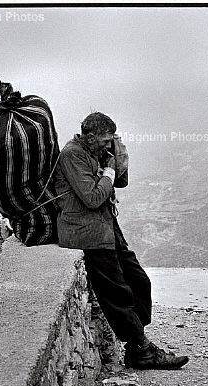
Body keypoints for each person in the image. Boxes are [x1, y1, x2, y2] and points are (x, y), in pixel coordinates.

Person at [54, 112, 189, 370]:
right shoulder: (72, 154)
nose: (108, 144)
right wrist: (109, 172)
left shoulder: (98, 152)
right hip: (86, 233)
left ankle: (136, 339)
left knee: (140, 281)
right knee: (117, 293)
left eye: (110, 140)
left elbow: (121, 182)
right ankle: (141, 349)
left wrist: (117, 157)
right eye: (105, 140)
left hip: (107, 228)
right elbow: (92, 198)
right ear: (90, 136)